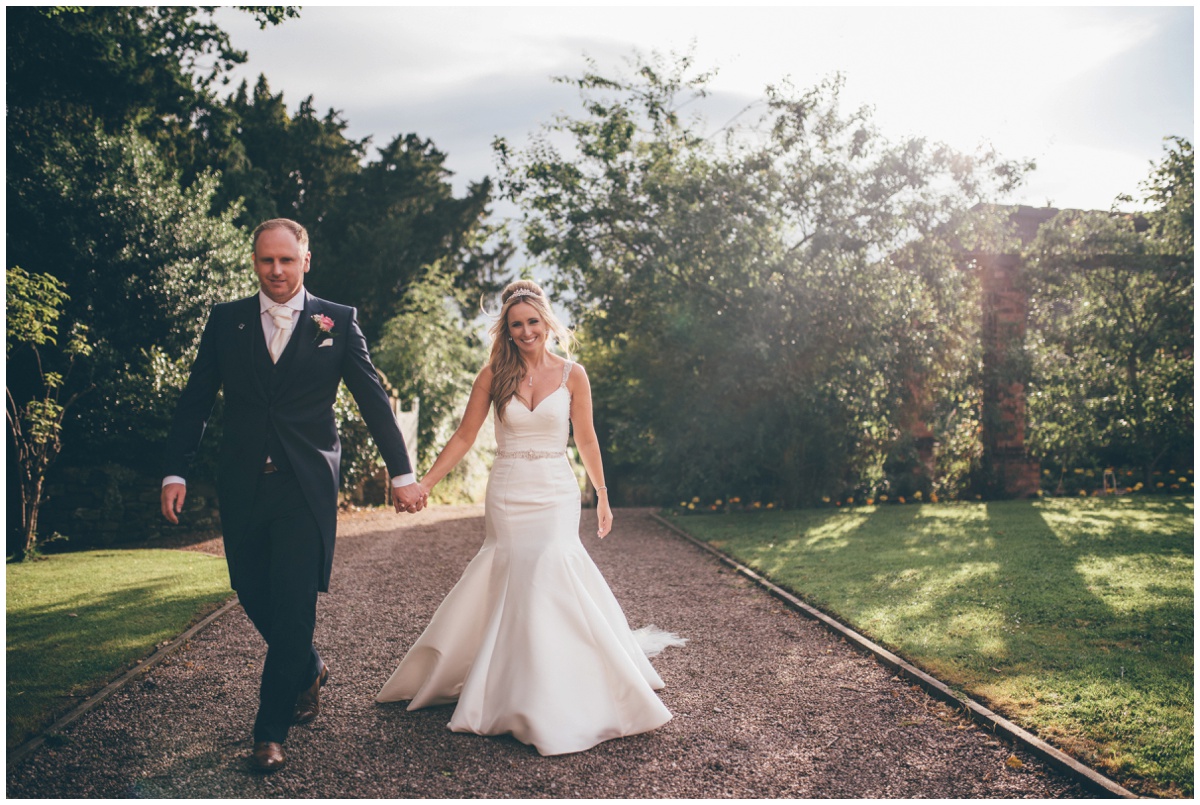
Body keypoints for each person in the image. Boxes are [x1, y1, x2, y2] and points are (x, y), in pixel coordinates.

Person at [160, 218, 427, 772]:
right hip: (242, 482)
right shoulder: (226, 321)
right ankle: (308, 668)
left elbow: (373, 401)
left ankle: (269, 731)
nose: (276, 271)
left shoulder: (338, 322)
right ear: (254, 262)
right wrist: (175, 471)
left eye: (287, 260)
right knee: (253, 589)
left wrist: (401, 473)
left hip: (306, 485)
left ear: (307, 260)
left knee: (294, 603)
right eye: (266, 261)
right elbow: (195, 401)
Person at [376, 279, 684, 756]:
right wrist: (426, 482)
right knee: (514, 573)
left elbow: (586, 440)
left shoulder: (573, 375)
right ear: (507, 328)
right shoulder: (492, 376)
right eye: (516, 325)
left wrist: (602, 495)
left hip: (557, 491)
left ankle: (558, 683)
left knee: (551, 567)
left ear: (547, 321)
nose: (525, 332)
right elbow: (463, 437)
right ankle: (508, 682)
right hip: (508, 491)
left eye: (532, 322)